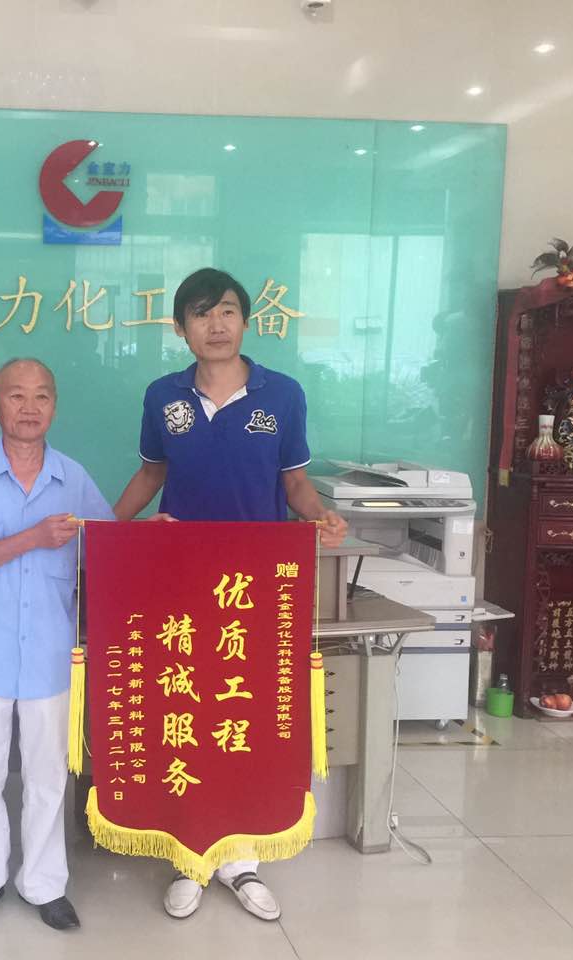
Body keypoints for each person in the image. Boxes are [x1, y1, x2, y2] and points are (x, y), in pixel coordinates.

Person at [113, 267, 348, 922]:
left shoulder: (282, 394)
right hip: (180, 580)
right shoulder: (164, 396)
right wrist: (108, 528)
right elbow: (152, 473)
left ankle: (242, 860)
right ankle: (190, 856)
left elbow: (294, 483)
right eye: (200, 313)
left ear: (245, 320)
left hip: (253, 584)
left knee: (242, 712)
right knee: (184, 707)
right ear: (180, 327)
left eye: (225, 311)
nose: (214, 325)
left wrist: (319, 515)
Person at [0, 358, 114, 934]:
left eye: (41, 396)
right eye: (16, 396)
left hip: (50, 655)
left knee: (47, 777)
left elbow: (108, 552)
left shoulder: (73, 478)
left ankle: (44, 885)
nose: (29, 407)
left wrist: (152, 537)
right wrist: (33, 537)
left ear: (54, 406)